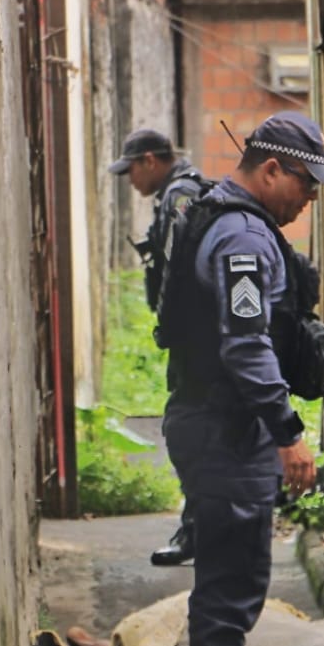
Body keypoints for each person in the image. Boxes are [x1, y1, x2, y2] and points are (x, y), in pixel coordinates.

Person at [157, 111, 324, 646]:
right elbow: (245, 344)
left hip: (215, 422)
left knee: (227, 578)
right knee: (232, 584)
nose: (310, 199)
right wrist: (287, 433)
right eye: (306, 184)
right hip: (223, 428)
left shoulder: (227, 216)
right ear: (272, 170)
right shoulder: (241, 236)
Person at [108, 128, 210, 567]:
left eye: (131, 169)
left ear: (150, 160)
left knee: (187, 432)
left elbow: (183, 269)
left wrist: (176, 326)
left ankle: (198, 533)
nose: (130, 179)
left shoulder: (181, 195)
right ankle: (201, 529)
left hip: (196, 340)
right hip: (193, 338)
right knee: (195, 431)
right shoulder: (175, 192)